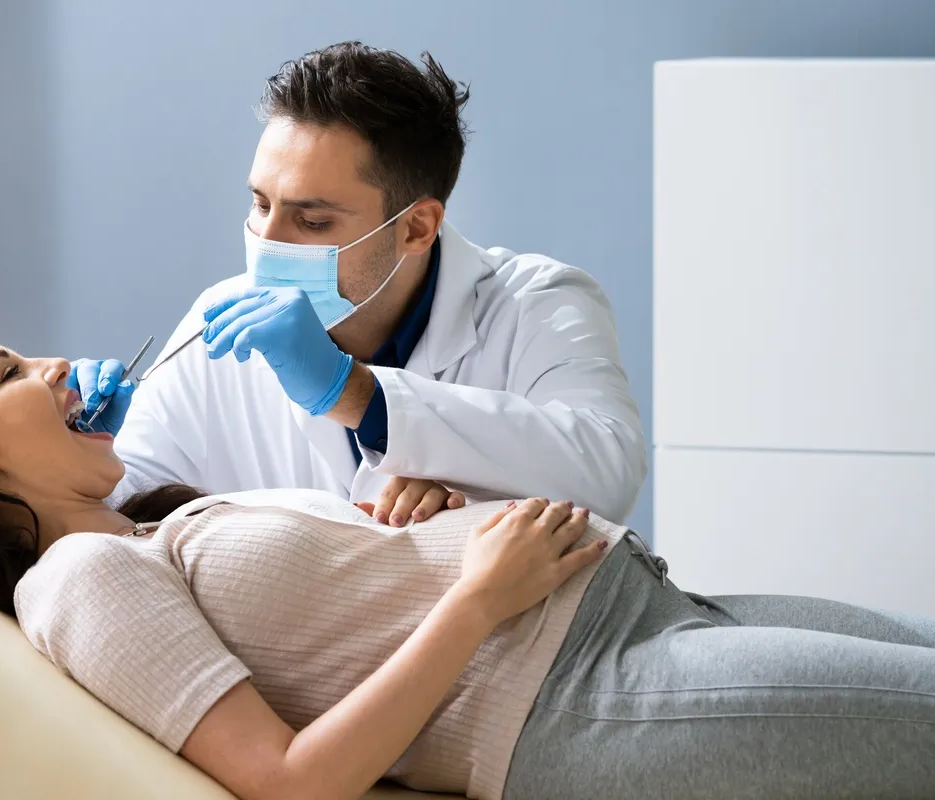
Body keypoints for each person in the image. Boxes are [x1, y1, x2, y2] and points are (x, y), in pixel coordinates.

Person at [0, 314, 935, 800]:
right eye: (13, 373)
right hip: (585, 699)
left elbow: (337, 623)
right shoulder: (75, 579)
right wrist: (472, 596)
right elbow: (288, 778)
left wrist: (406, 521)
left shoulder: (147, 526)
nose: (57, 366)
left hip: (643, 610)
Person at [72, 42, 647, 527]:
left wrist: (353, 394)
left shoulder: (536, 302)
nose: (267, 241)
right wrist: (86, 453)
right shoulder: (220, 321)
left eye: (313, 220)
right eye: (260, 203)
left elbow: (607, 471)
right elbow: (129, 518)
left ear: (417, 228)